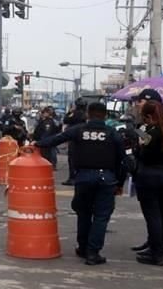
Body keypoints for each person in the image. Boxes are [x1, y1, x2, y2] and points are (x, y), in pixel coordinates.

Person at [36, 102, 127, 266]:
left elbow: (55, 140)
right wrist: (119, 183)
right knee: (101, 216)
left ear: (88, 114)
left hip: (84, 177)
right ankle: (93, 253)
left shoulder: (78, 130)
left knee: (83, 213)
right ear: (105, 115)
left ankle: (83, 247)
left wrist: (35, 144)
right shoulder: (112, 133)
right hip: (106, 178)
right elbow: (123, 161)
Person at [132, 100, 163, 266]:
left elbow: (143, 149)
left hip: (150, 178)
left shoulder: (152, 132)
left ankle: (156, 253)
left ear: (149, 116)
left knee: (153, 216)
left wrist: (136, 130)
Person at [62, 99, 88, 185]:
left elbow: (65, 120)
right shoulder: (86, 114)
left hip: (74, 138)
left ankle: (73, 178)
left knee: (72, 159)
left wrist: (69, 112)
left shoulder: (75, 113)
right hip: (84, 138)